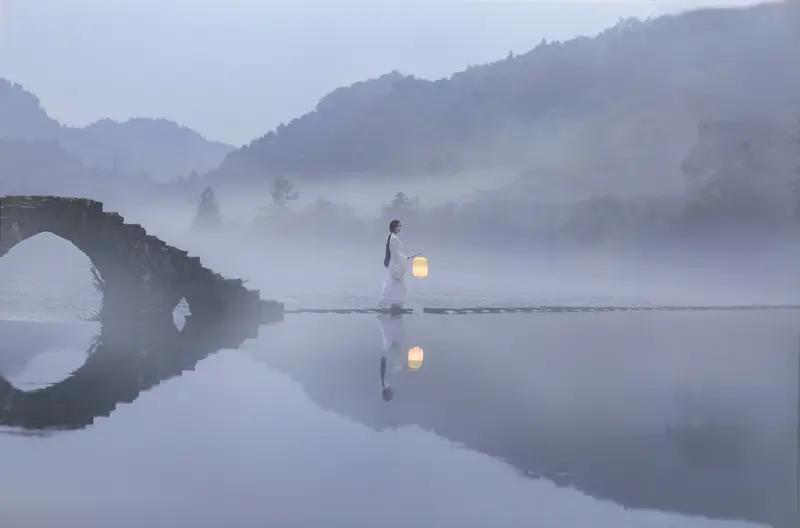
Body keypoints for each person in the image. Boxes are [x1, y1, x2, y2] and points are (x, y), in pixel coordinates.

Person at [377, 219, 417, 311]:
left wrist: (404, 257)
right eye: (398, 226)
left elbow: (394, 253)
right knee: (399, 287)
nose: (399, 228)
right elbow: (396, 254)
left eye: (400, 226)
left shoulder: (390, 236)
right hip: (395, 266)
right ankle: (390, 304)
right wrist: (406, 257)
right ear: (394, 227)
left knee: (392, 285)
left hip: (392, 264)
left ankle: (387, 303)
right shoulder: (394, 238)